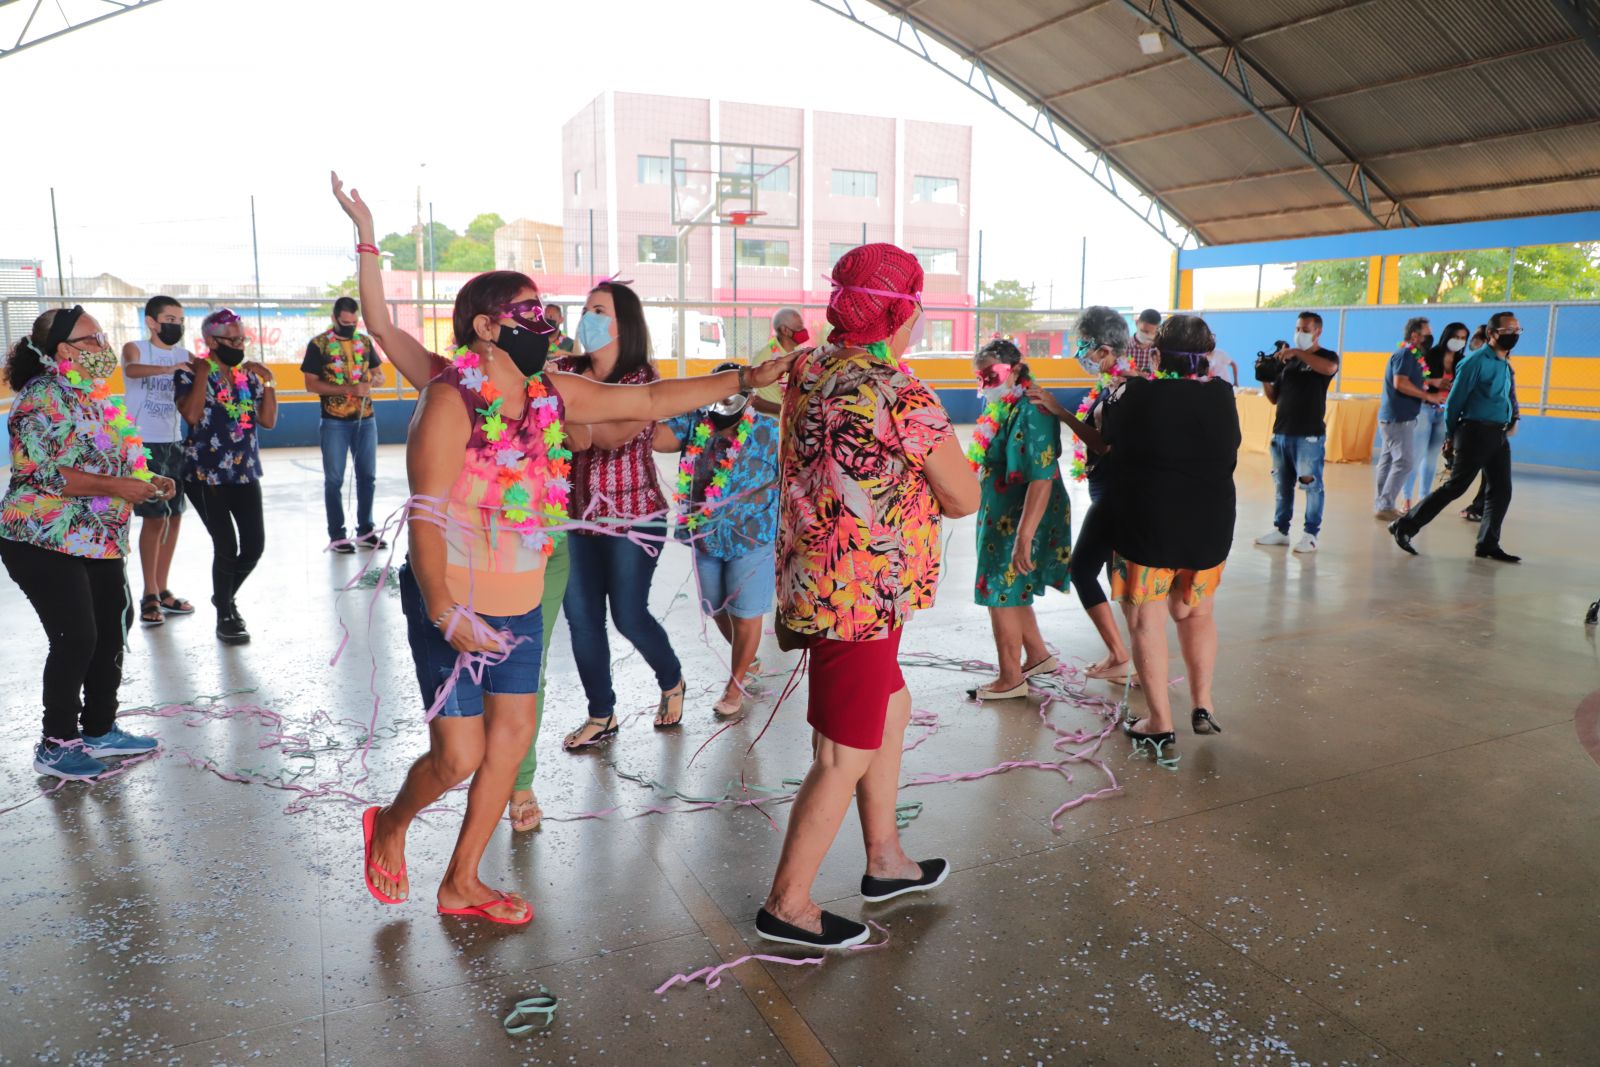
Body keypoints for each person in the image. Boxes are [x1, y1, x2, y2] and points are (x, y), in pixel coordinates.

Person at [334, 178, 797, 924]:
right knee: (456, 757)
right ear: (486, 327)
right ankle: (390, 822)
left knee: (508, 742)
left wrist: (744, 378)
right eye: (528, 312)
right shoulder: (451, 398)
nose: (547, 322)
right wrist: (444, 607)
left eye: (547, 311)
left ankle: (461, 881)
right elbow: (423, 516)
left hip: (519, 601)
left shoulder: (552, 393)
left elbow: (646, 402)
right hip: (455, 601)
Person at [759, 243, 979, 949]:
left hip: (820, 579)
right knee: (842, 750)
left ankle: (885, 858)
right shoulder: (898, 389)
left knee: (891, 703)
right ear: (899, 312)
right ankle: (787, 903)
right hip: (858, 594)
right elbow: (964, 494)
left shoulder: (811, 366)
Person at [3, 307, 170, 779]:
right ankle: (56, 744)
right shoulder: (40, 398)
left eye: (101, 336)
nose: (103, 346)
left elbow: (107, 460)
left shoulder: (93, 397)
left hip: (95, 537)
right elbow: (41, 472)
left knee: (115, 623)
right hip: (40, 536)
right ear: (63, 350)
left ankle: (99, 728)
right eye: (92, 339)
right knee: (76, 636)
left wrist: (147, 478)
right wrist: (119, 488)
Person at [557, 281, 690, 747]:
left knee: (629, 615)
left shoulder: (642, 381)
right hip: (576, 517)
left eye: (598, 310)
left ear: (623, 323)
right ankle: (601, 714)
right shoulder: (566, 371)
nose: (586, 318)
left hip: (636, 517)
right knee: (581, 616)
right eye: (585, 309)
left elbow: (604, 438)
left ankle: (671, 681)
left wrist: (560, 409)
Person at [1104, 314, 1239, 756]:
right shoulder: (1223, 394)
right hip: (1209, 522)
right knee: (1195, 612)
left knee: (1147, 618)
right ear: (1206, 355)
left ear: (1158, 355)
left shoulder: (1138, 394)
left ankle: (1159, 722)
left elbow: (1109, 444)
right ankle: (1203, 704)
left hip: (1151, 523)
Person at [655, 363, 780, 717]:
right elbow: (661, 439)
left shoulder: (771, 432)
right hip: (705, 535)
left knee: (746, 613)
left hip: (752, 537)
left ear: (750, 397)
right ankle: (748, 660)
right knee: (715, 606)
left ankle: (735, 683)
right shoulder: (697, 420)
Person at [1027, 307, 1137, 683]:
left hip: (1117, 493)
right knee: (1113, 576)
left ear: (1105, 349)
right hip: (1104, 487)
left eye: (1085, 347)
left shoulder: (1128, 387)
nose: (1082, 355)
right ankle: (1123, 656)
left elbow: (1106, 445)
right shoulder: (1112, 384)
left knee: (1084, 570)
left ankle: (1126, 656)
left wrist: (1060, 412)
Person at [967, 338, 1070, 699]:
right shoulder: (1003, 406)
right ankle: (1038, 655)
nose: (984, 383)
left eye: (990, 374)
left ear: (1014, 369)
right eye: (979, 376)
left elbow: (1042, 478)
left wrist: (1024, 537)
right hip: (1000, 512)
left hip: (1021, 515)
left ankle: (1010, 677)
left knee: (999, 589)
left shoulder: (1032, 407)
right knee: (1012, 588)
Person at [176, 309, 278, 645]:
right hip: (205, 474)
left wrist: (269, 381)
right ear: (210, 341)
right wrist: (204, 372)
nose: (238, 345)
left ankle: (223, 596)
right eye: (231, 340)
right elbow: (190, 415)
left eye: (241, 339)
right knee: (226, 545)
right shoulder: (189, 373)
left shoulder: (246, 378)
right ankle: (226, 615)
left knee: (254, 546)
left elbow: (267, 420)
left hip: (244, 470)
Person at [1391, 312, 1522, 563]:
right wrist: (1451, 436)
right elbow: (1454, 402)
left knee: (1501, 490)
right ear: (1492, 335)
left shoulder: (1504, 363)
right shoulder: (1475, 362)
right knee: (1456, 487)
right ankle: (1405, 526)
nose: (1514, 335)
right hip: (1474, 431)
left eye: (1517, 330)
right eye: (1508, 331)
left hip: (1497, 433)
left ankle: (1487, 543)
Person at [121, 295, 196, 626]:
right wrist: (169, 369)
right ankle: (149, 593)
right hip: (143, 445)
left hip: (174, 442)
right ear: (152, 322)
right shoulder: (135, 348)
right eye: (169, 319)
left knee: (174, 517)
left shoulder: (186, 356)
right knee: (154, 519)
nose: (175, 325)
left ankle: (163, 589)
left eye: (179, 320)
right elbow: (132, 369)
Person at [302, 296, 386, 553]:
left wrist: (375, 379)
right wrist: (349, 387)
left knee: (367, 477)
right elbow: (311, 383)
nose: (349, 326)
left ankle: (366, 530)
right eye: (344, 322)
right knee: (334, 480)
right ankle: (337, 535)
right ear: (334, 318)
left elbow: (378, 372)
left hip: (365, 418)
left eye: (353, 322)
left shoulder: (364, 342)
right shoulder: (319, 345)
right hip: (334, 421)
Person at [1255, 311, 1338, 554]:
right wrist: (1266, 376)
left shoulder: (1327, 357)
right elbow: (1274, 398)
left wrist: (1297, 352)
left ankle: (1310, 534)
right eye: (1298, 328)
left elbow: (1329, 368)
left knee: (1310, 484)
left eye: (1305, 329)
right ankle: (1281, 530)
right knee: (1282, 484)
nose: (1299, 333)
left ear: (1317, 332)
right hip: (1282, 432)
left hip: (1309, 435)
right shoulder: (1288, 363)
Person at [1373, 316, 1442, 521]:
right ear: (1415, 335)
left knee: (1387, 460)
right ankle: (1385, 505)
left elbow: (1413, 379)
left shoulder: (1412, 356)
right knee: (1404, 461)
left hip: (1395, 416)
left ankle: (1382, 503)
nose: (1430, 337)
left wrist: (1434, 382)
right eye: (1427, 334)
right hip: (1398, 418)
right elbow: (1400, 383)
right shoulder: (1405, 354)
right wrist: (1429, 396)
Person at [1405, 321, 1468, 506]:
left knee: (1432, 458)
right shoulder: (1430, 355)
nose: (1459, 341)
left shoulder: (1461, 361)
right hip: (1424, 409)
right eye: (1456, 337)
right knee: (1416, 455)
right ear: (1447, 336)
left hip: (1445, 413)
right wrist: (1435, 382)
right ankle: (1407, 497)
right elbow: (1415, 380)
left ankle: (1424, 498)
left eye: (1463, 338)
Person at [749, 307, 808, 416]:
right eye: (799, 328)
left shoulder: (796, 354)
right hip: (771, 427)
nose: (804, 331)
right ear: (785, 330)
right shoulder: (765, 356)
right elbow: (752, 399)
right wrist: (788, 411)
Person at [1126, 309, 1161, 376]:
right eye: (1144, 331)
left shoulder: (1158, 348)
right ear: (1137, 323)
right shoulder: (1124, 347)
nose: (1147, 335)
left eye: (1152, 333)